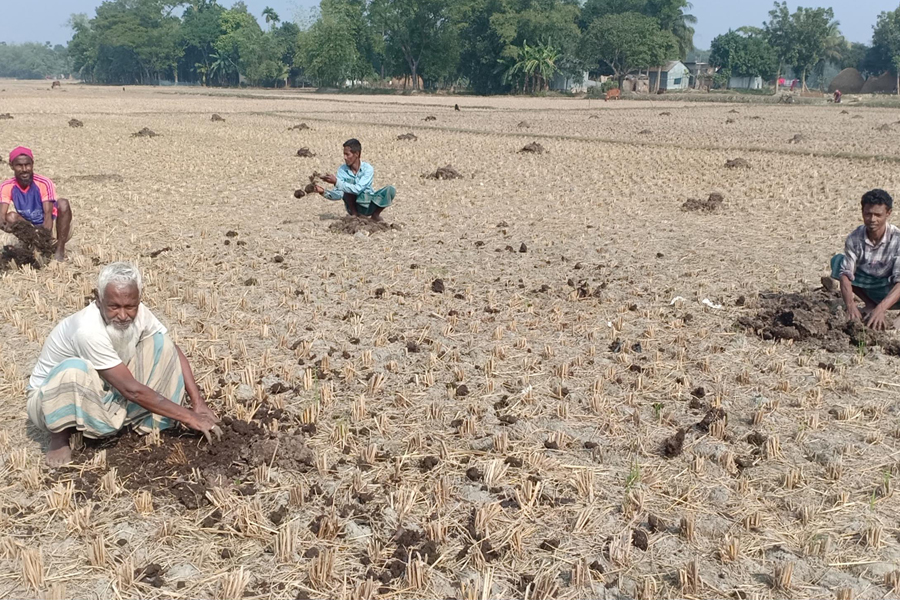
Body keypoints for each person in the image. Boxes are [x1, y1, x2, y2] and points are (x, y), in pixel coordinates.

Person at [26, 262, 221, 467]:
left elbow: (172, 350)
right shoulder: (87, 330)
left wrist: (198, 402)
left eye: (130, 307)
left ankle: (142, 423)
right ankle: (59, 437)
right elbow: (131, 390)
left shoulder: (140, 313)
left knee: (161, 344)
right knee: (74, 370)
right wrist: (189, 417)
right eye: (114, 306)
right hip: (47, 402)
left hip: (102, 386)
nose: (122, 315)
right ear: (98, 300)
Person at [829, 189, 900, 330]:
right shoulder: (854, 238)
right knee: (838, 262)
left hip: (891, 289)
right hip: (870, 286)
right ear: (862, 212)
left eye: (878, 215)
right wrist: (850, 306)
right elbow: (845, 275)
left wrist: (881, 310)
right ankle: (869, 304)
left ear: (888, 213)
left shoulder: (897, 239)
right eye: (868, 214)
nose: (872, 219)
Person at [0, 147, 73, 261]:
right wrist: (5, 226)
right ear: (11, 166)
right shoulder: (7, 186)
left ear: (32, 164)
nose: (24, 169)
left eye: (27, 165)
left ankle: (59, 249)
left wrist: (44, 241)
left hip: (53, 227)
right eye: (19, 165)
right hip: (30, 228)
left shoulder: (44, 183)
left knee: (63, 203)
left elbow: (48, 216)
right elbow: (2, 215)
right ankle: (31, 246)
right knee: (10, 217)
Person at [314, 138, 395, 221]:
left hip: (369, 203)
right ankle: (355, 215)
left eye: (347, 154)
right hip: (354, 207)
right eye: (344, 154)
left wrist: (336, 182)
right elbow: (339, 194)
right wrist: (323, 192)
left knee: (390, 190)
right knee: (346, 187)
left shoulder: (368, 169)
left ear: (356, 154)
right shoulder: (342, 170)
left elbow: (358, 189)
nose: (345, 157)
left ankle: (375, 215)